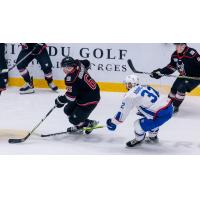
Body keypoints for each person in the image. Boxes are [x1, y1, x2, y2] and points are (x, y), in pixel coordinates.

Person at [106, 74, 173, 147]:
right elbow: (156, 97)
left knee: (137, 125)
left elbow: (121, 115)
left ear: (129, 84)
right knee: (151, 119)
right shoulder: (145, 86)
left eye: (126, 84)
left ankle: (139, 139)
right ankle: (152, 137)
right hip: (169, 107)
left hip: (160, 115)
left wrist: (112, 122)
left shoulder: (130, 96)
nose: (126, 86)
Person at [55, 56, 100, 134]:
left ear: (73, 66)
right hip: (84, 93)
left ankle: (89, 124)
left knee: (73, 120)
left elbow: (71, 97)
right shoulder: (78, 63)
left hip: (90, 99)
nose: (66, 70)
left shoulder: (70, 79)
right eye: (64, 68)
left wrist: (61, 100)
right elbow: (87, 62)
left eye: (69, 68)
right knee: (67, 110)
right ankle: (81, 125)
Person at [150, 43, 200, 113]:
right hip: (183, 75)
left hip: (195, 77)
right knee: (173, 89)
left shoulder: (192, 53)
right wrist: (161, 72)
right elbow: (171, 67)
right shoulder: (175, 55)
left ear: (184, 45)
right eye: (176, 45)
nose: (177, 47)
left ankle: (175, 106)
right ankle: (168, 104)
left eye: (178, 45)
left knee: (182, 88)